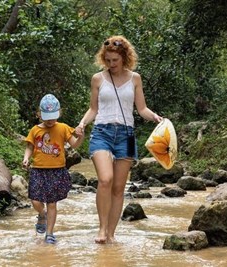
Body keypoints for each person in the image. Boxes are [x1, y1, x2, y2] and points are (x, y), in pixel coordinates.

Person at [75, 35, 162, 244]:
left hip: (126, 135)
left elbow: (141, 109)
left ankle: (112, 234)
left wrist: (156, 117)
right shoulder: (98, 79)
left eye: (115, 60)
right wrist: (81, 124)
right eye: (108, 60)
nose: (111, 64)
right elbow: (93, 109)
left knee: (118, 188)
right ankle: (102, 229)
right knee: (105, 180)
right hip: (102, 132)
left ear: (124, 58)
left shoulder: (135, 79)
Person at [23, 93, 84, 244]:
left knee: (52, 203)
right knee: (35, 200)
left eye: (53, 116)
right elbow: (29, 147)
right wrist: (26, 158)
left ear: (59, 113)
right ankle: (42, 214)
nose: (50, 120)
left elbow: (74, 144)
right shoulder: (35, 130)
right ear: (39, 115)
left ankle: (49, 233)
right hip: (38, 169)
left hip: (57, 171)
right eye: (47, 116)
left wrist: (81, 136)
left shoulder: (63, 128)